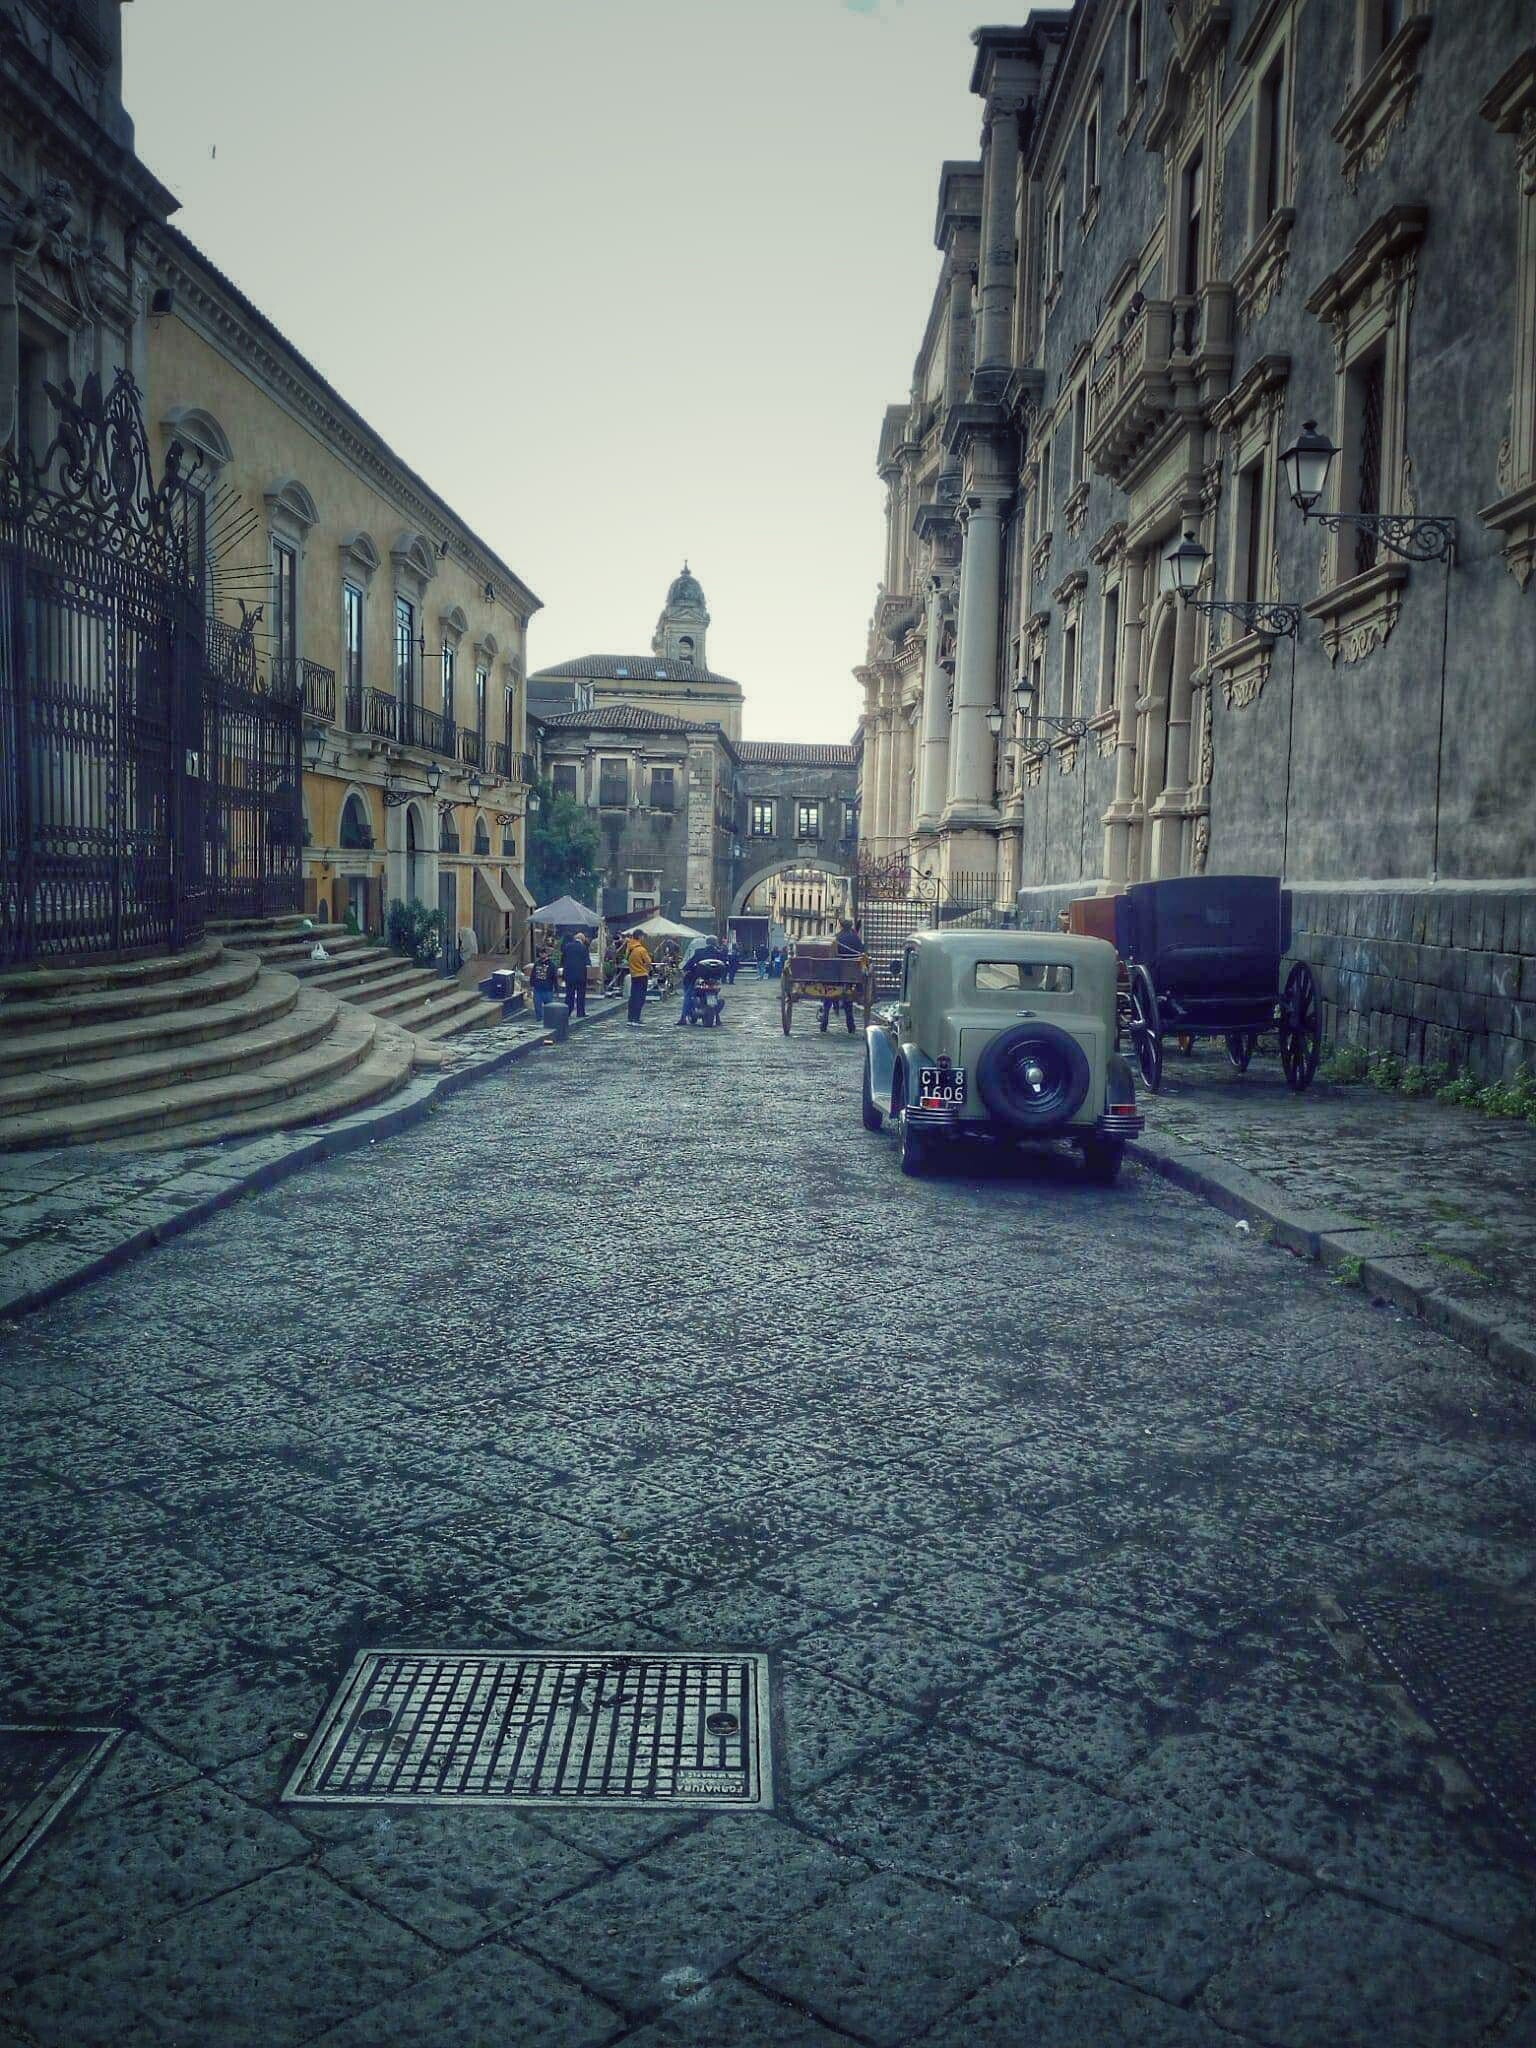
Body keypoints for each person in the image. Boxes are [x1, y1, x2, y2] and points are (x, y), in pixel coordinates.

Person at [818, 917, 866, 1034]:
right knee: (848, 999)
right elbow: (862, 951)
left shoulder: (836, 938)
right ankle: (851, 1025)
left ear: (840, 925)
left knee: (828, 997)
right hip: (851, 973)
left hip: (835, 970)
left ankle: (824, 1021)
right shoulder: (856, 938)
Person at [678, 931, 730, 1025]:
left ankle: (683, 1018)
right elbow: (725, 964)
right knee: (716, 995)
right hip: (714, 980)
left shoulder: (700, 952)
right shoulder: (719, 953)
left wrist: (685, 969)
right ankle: (718, 1019)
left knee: (688, 994)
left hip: (699, 978)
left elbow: (690, 964)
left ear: (706, 942)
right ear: (716, 943)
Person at [560, 928, 591, 1019]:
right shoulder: (583, 948)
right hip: (581, 975)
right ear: (583, 940)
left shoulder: (567, 947)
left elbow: (562, 960)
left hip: (569, 975)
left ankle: (568, 1012)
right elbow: (587, 962)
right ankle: (580, 1012)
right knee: (581, 994)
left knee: (569, 994)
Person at [623, 930, 652, 1024]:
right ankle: (636, 1018)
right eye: (642, 936)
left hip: (633, 975)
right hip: (642, 975)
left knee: (633, 997)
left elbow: (627, 959)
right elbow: (648, 962)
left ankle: (630, 1018)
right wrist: (647, 968)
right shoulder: (641, 950)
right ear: (639, 937)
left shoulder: (629, 948)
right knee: (640, 998)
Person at [529, 948, 558, 1023]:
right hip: (537, 989)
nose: (542, 954)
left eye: (544, 953)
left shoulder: (552, 965)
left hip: (548, 989)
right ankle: (539, 1020)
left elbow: (554, 977)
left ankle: (549, 1021)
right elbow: (533, 975)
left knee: (549, 1008)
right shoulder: (536, 964)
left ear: (547, 954)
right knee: (537, 1007)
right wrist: (531, 985)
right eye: (541, 953)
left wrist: (556, 988)